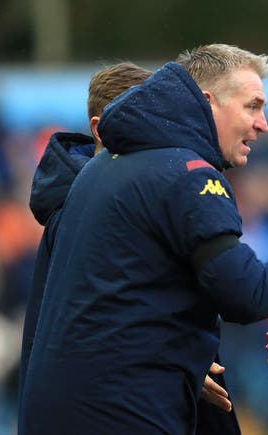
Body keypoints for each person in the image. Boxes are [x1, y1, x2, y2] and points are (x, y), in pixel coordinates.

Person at [19, 44, 268, 435]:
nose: (264, 124)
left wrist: (181, 358)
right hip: (122, 411)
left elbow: (110, 306)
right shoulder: (188, 173)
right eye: (252, 106)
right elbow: (247, 294)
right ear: (208, 101)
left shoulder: (97, 173)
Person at [18, 61, 241, 435]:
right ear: (100, 129)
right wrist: (173, 363)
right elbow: (89, 335)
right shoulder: (81, 215)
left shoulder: (145, 198)